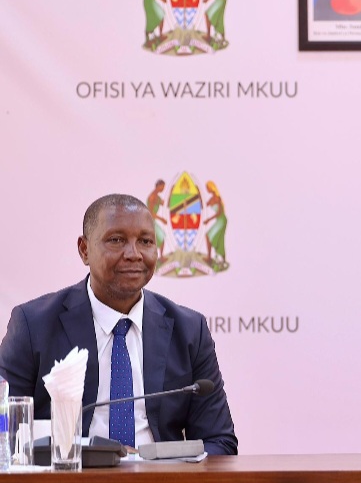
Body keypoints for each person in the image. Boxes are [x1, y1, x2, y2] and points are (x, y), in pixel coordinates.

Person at [0, 194, 238, 455]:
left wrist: (165, 466)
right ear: (84, 250)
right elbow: (5, 434)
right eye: (116, 240)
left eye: (145, 242)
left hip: (161, 478)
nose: (134, 254)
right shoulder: (34, 325)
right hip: (69, 475)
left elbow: (220, 442)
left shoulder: (190, 330)